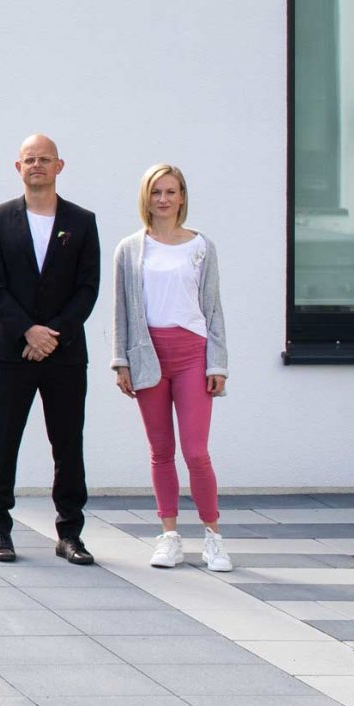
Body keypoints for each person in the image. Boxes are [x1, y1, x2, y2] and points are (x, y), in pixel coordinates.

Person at [0, 134, 101, 565]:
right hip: (11, 352)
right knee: (3, 440)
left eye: (44, 159)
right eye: (29, 159)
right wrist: (28, 331)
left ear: (59, 166)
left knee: (67, 443)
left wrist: (53, 335)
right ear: (18, 167)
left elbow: (88, 289)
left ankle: (70, 533)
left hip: (64, 355)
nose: (37, 166)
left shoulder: (82, 221)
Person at [111, 163, 233, 572]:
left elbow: (213, 309)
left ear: (182, 197)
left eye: (170, 191)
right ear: (146, 197)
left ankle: (213, 537)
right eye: (156, 192)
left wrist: (218, 362)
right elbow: (121, 312)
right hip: (148, 355)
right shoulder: (130, 248)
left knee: (196, 451)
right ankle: (169, 536)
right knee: (161, 450)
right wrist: (121, 361)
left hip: (192, 354)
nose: (163, 199)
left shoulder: (201, 246)